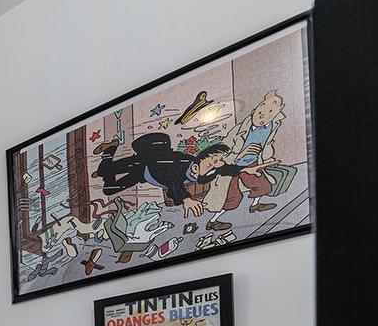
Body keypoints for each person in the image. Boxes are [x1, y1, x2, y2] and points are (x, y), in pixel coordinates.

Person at [92, 133, 247, 218]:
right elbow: (174, 181)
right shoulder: (184, 161)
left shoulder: (209, 172)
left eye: (218, 162)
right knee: (104, 170)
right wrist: (186, 199)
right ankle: (110, 150)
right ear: (204, 156)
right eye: (214, 158)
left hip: (144, 175)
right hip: (144, 162)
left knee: (108, 189)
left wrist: (245, 170)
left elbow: (226, 169)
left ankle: (105, 168)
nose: (215, 163)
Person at [204, 91, 286, 231]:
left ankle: (255, 205)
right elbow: (224, 149)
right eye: (261, 110)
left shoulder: (271, 127)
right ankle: (212, 221)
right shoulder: (240, 129)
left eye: (270, 112)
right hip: (231, 167)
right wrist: (241, 153)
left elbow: (267, 144)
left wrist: (268, 158)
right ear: (255, 110)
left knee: (262, 184)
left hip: (251, 163)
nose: (263, 115)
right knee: (231, 196)